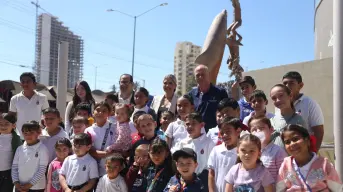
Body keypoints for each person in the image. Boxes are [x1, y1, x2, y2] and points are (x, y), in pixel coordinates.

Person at [277, 124, 343, 191]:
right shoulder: (285, 165)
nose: (292, 144)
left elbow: (337, 189)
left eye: (295, 139)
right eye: (287, 142)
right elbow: (280, 189)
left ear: (307, 141)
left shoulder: (324, 164)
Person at [171, 112, 215, 191]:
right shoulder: (182, 143)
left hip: (202, 180)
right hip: (184, 179)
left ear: (201, 125)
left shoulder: (209, 143)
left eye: (194, 123)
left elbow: (211, 165)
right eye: (187, 124)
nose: (190, 126)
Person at [281, 71, 324, 150]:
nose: (287, 86)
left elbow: (318, 132)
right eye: (285, 83)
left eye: (291, 83)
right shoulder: (279, 105)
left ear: (300, 85)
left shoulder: (309, 103)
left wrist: (313, 154)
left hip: (304, 152)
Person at [9, 72, 49, 140]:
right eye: (23, 82)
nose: (25, 84)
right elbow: (11, 116)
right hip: (20, 136)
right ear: (20, 84)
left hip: (37, 135)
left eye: (28, 81)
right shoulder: (14, 99)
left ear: (34, 84)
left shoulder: (42, 97)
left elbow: (47, 114)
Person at [188, 65, 228, 132]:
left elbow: (227, 112)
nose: (200, 77)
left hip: (215, 133)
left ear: (208, 75)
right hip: (197, 133)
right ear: (195, 78)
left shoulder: (220, 92)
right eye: (198, 75)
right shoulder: (191, 94)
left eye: (203, 74)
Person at [12, 121, 49, 192]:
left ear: (38, 132)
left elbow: (42, 169)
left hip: (36, 188)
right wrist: (16, 183)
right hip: (20, 186)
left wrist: (29, 185)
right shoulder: (19, 149)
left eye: (31, 133)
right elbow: (14, 167)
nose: (28, 136)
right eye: (25, 133)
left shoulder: (42, 149)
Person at [248, 117, 287, 182]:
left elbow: (283, 178)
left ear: (271, 129)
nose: (258, 131)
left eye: (261, 128)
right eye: (254, 130)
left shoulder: (278, 152)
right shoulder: (249, 152)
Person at [208, 117, 240, 192]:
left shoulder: (242, 152)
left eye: (228, 132)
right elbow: (211, 173)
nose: (224, 135)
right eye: (222, 133)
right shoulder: (216, 150)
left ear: (238, 131)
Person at [85, 101, 116, 177]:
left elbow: (117, 147)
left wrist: (109, 154)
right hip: (93, 168)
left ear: (109, 114)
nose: (100, 113)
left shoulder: (114, 128)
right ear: (93, 113)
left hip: (110, 168)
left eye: (104, 111)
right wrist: (106, 154)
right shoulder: (88, 130)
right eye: (98, 110)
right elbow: (89, 150)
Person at [0, 113, 22, 192]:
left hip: (7, 173)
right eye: (1, 124)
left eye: (6, 124)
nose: (3, 126)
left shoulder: (17, 140)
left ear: (13, 125)